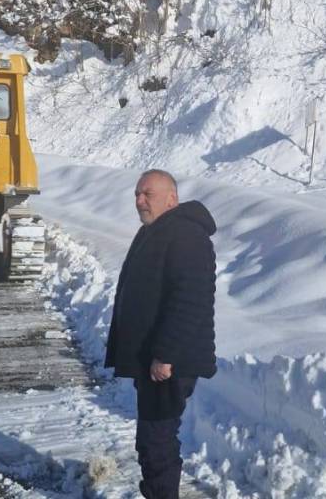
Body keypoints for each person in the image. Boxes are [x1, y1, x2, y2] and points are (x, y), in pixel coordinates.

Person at [105, 169, 217, 499]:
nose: (139, 201)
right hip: (155, 360)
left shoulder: (186, 236)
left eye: (147, 194)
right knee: (152, 439)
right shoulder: (157, 231)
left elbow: (190, 300)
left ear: (171, 199)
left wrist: (165, 354)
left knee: (157, 442)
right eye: (137, 194)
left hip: (170, 363)